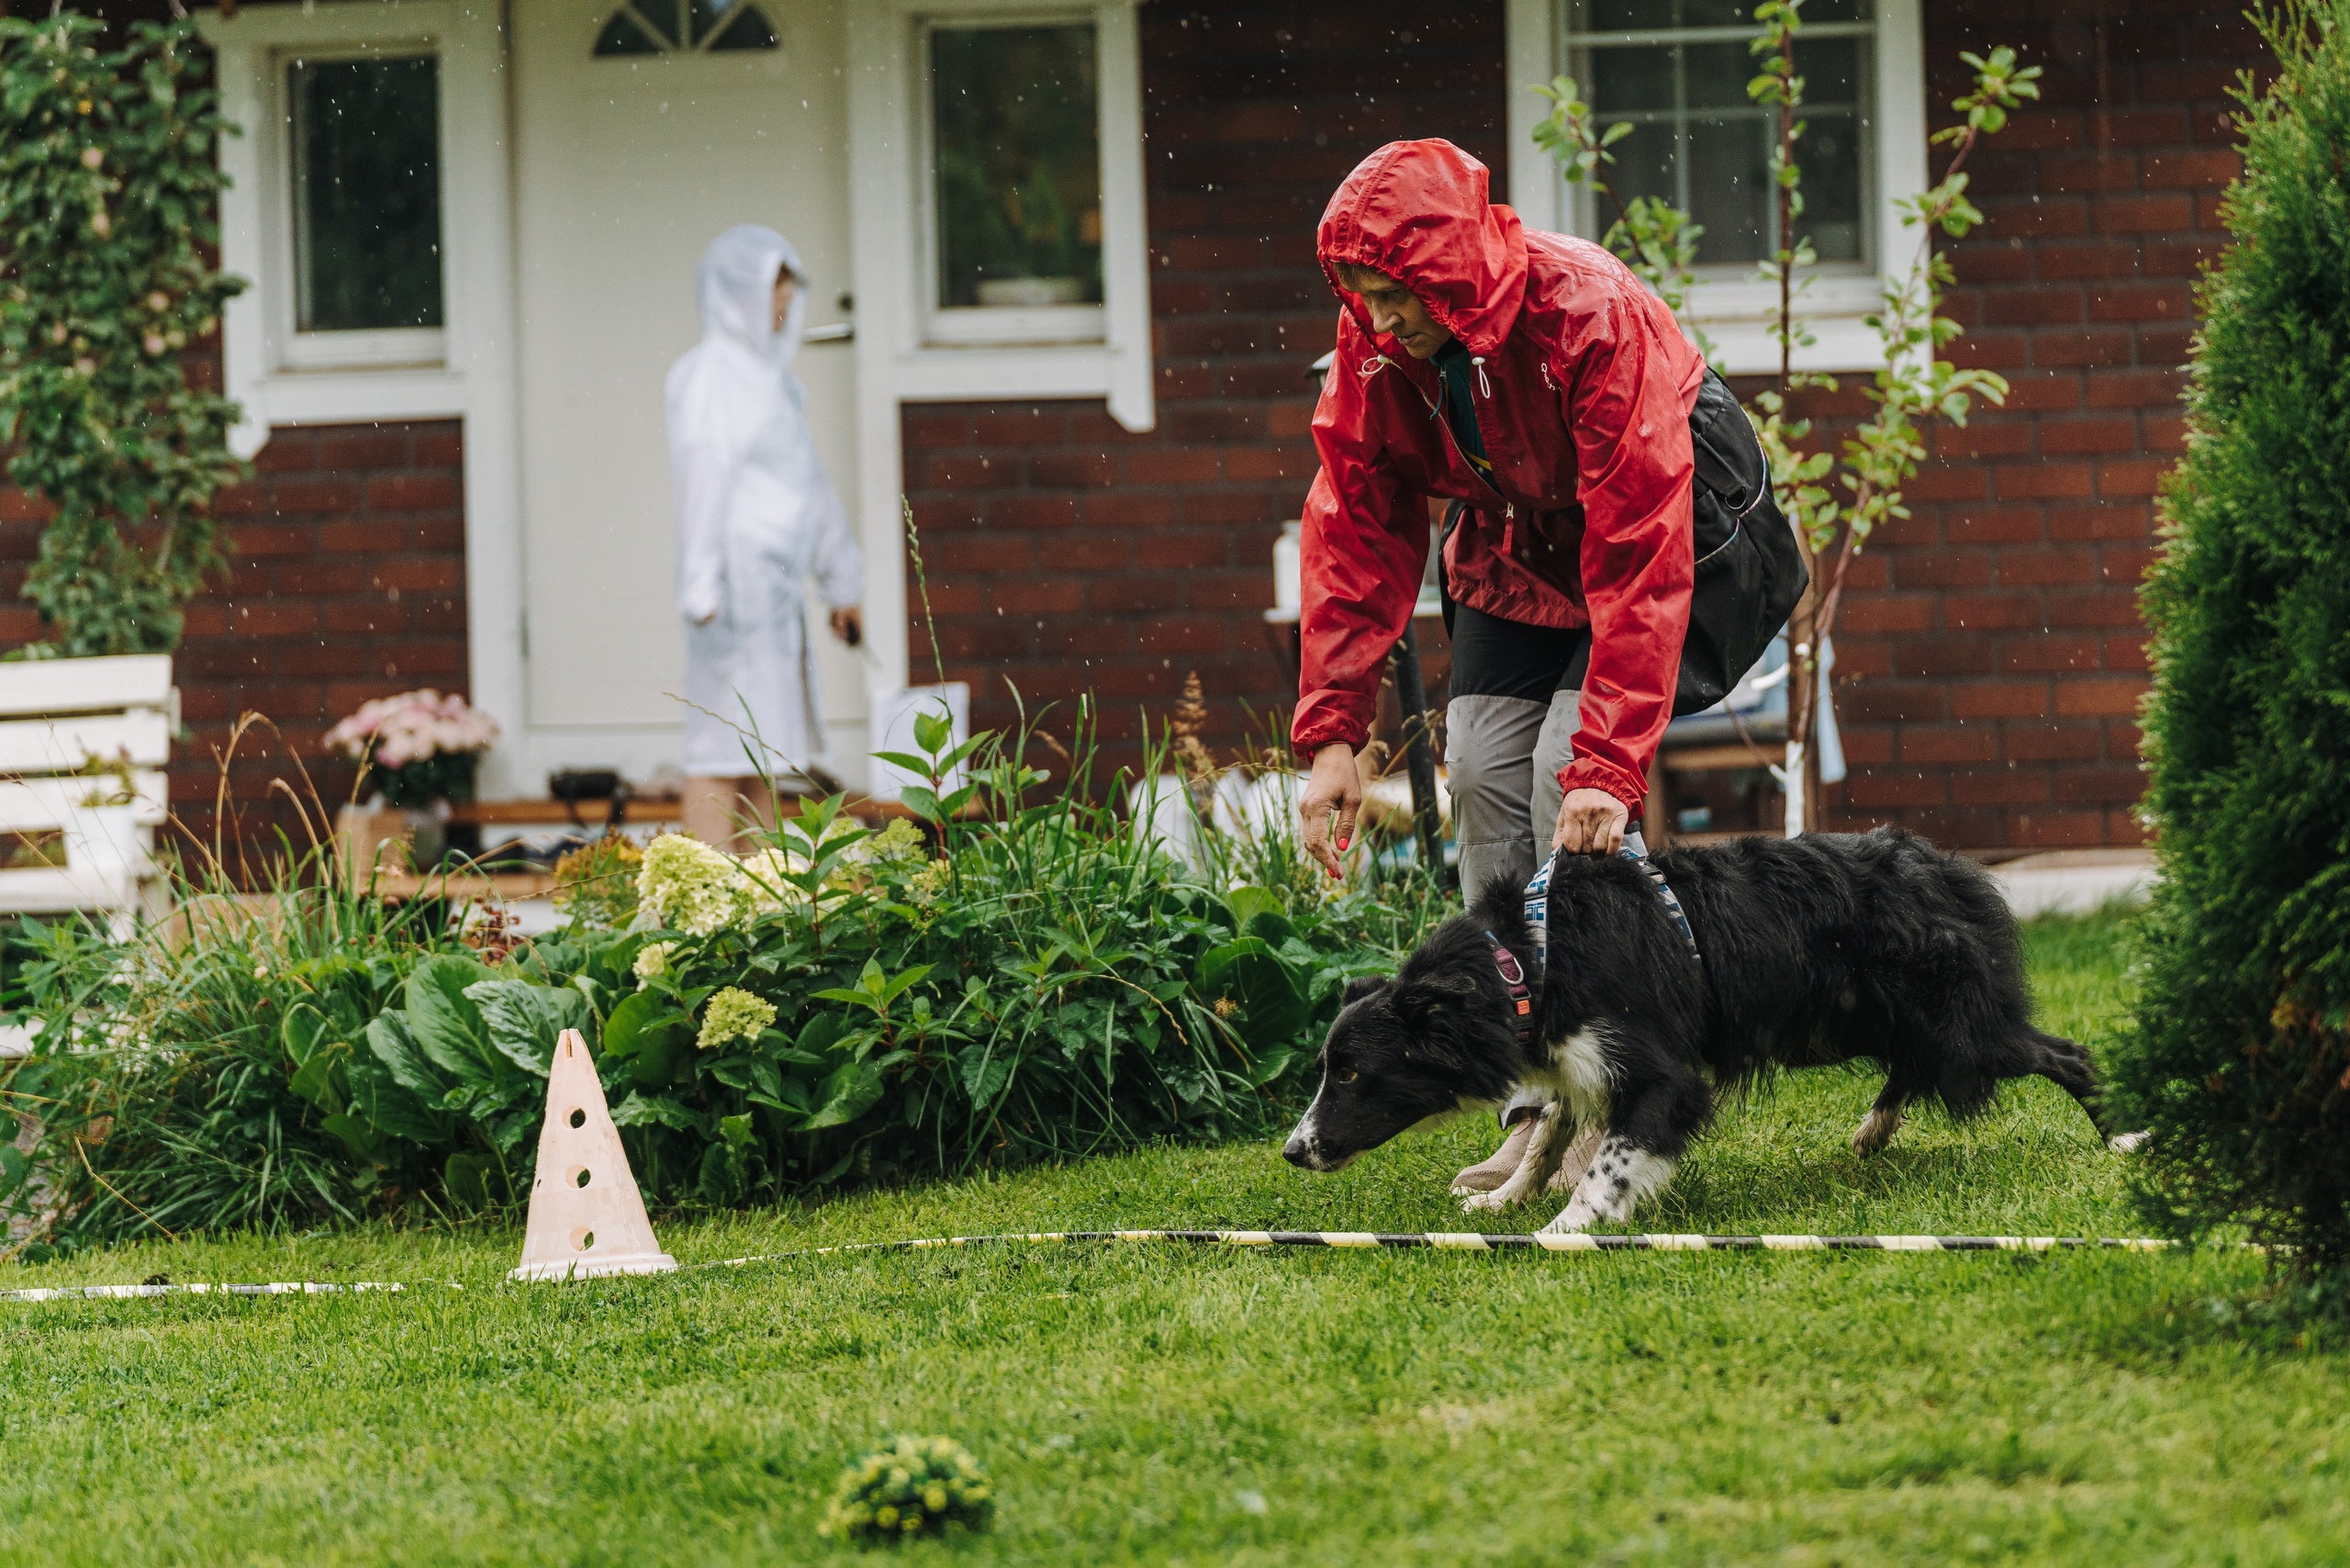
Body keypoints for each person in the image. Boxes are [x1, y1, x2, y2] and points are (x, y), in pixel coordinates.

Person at [1291, 139, 1709, 1194]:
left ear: (1448, 271)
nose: (1378, 322)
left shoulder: (1588, 313)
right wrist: (1334, 733)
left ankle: (1615, 1082)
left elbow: (1637, 546)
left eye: (1395, 297)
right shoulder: (1376, 349)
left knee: (1562, 775)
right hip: (1515, 547)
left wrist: (1609, 770)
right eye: (1363, 298)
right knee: (1480, 773)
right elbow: (1354, 520)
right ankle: (1529, 1089)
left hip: (1659, 535)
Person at [666, 225, 864, 849]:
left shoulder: (770, 384)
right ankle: (694, 899)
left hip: (774, 588)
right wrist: (699, 581)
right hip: (732, 587)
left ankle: (760, 907)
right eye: (775, 289)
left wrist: (842, 582)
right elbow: (703, 475)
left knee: (763, 750)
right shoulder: (708, 376)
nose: (784, 304)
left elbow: (808, 485)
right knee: (720, 746)